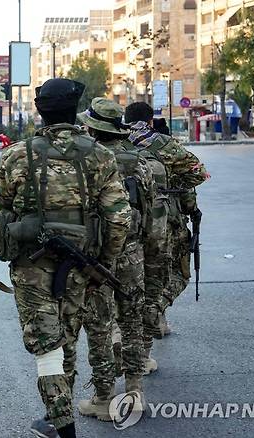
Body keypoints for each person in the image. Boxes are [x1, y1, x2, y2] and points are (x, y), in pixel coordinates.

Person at [0, 79, 131, 438]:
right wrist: (104, 263)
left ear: (39, 109)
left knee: (46, 343)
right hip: (81, 264)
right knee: (65, 336)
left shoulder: (18, 155)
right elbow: (119, 218)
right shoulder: (99, 155)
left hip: (32, 267)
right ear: (75, 110)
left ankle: (62, 425)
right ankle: (57, 416)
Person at [75, 98, 154, 419]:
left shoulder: (90, 161)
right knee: (132, 322)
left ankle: (104, 396)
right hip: (133, 253)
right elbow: (150, 211)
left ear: (93, 128)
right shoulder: (139, 161)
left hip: (98, 255)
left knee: (99, 325)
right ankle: (135, 392)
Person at [124, 102, 208, 341]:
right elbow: (198, 173)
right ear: (150, 121)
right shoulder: (163, 143)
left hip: (121, 223)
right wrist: (170, 188)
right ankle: (155, 312)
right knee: (175, 273)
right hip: (163, 222)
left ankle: (125, 330)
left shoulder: (113, 143)